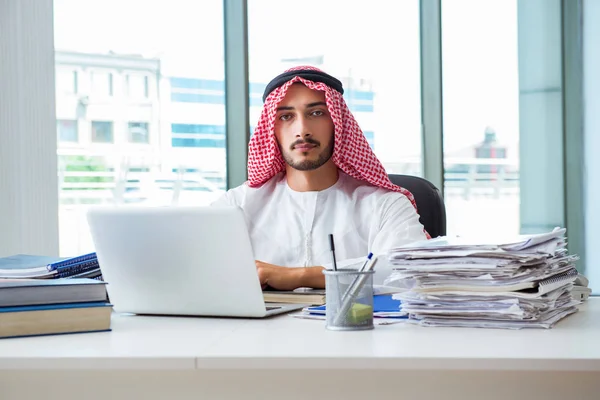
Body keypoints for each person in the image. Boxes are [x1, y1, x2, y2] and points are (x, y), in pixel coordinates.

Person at [212, 66, 428, 290]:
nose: (302, 130)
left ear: (338, 123)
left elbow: (409, 272)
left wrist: (299, 276)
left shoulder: (385, 204)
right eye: (286, 116)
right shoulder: (236, 206)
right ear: (271, 130)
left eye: (316, 113)